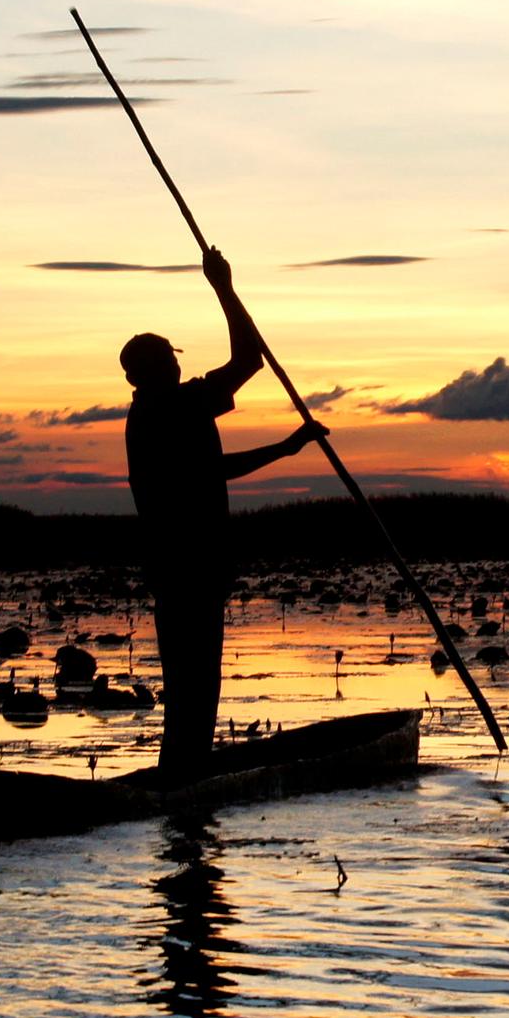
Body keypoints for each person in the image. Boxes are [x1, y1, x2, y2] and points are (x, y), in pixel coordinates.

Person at [123, 246, 326, 777]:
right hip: (189, 571)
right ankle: (183, 796)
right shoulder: (171, 407)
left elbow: (211, 466)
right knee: (194, 694)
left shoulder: (154, 410)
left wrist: (285, 447)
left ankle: (183, 800)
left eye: (173, 354)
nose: (176, 361)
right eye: (167, 357)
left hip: (178, 573)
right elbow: (247, 363)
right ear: (147, 373)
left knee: (189, 700)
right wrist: (223, 289)